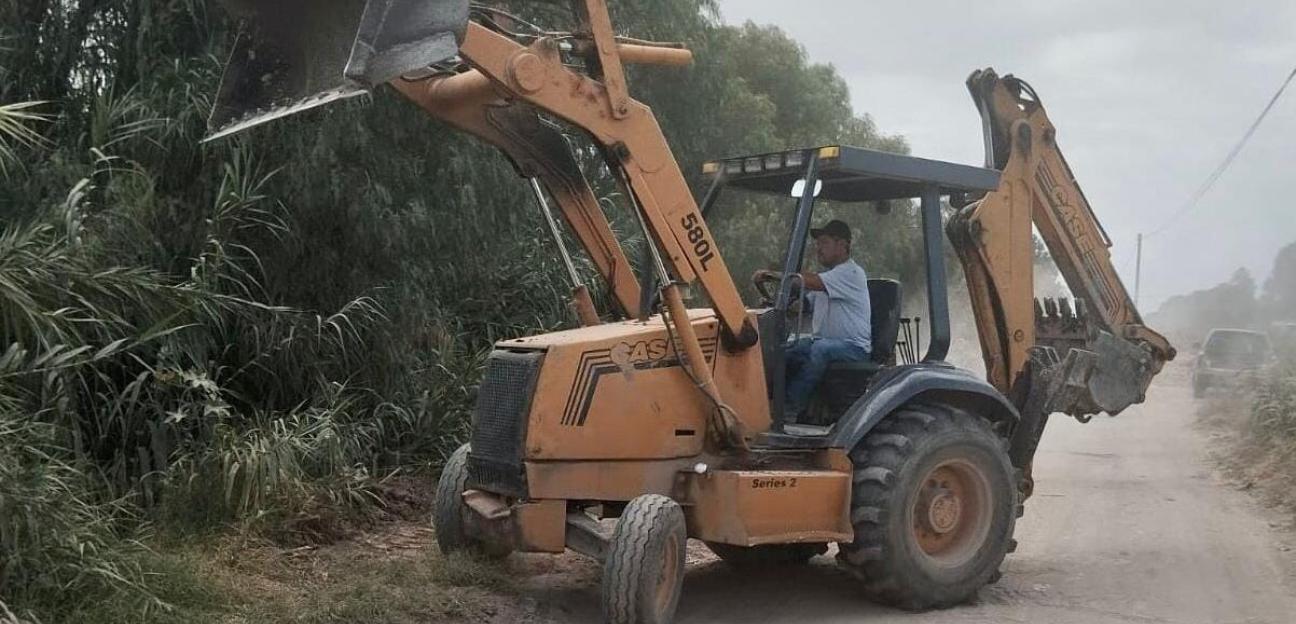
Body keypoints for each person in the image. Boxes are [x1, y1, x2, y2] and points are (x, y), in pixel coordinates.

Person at [754, 219, 872, 419]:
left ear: (842, 245)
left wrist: (773, 276)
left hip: (854, 348)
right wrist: (780, 305)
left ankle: (789, 409)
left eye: (824, 242)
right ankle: (765, 401)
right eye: (818, 243)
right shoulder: (829, 277)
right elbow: (805, 305)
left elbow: (810, 282)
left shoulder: (851, 273)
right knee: (786, 349)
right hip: (825, 342)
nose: (818, 248)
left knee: (820, 349)